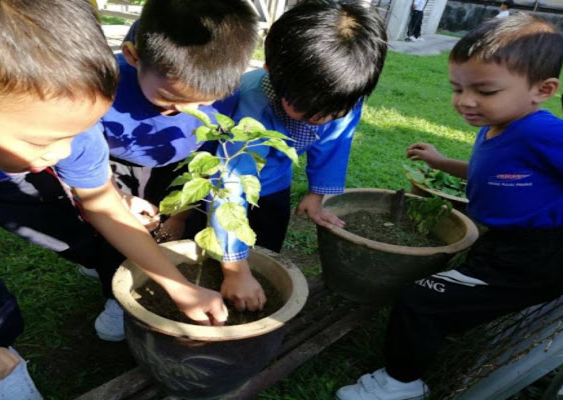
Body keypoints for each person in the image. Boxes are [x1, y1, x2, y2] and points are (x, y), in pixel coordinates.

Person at [0, 0, 227, 397]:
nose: (64, 153)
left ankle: (105, 278)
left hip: (14, 177)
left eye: (75, 133)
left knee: (84, 236)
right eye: (45, 140)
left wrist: (179, 285)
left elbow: (101, 203)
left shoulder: (66, 140)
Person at [336, 14, 563, 400]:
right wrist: (443, 163)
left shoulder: (542, 131)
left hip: (537, 255)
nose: (465, 101)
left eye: (485, 90)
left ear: (542, 90)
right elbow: (491, 170)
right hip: (508, 246)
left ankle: (402, 383)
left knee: (420, 300)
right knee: (457, 293)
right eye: (458, 88)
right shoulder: (498, 124)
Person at [87, 0, 264, 312]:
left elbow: (210, 154)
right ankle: (115, 297)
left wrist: (180, 213)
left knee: (173, 230)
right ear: (133, 57)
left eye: (202, 103)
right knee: (118, 230)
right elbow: (87, 159)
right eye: (169, 99)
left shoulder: (226, 92)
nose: (185, 111)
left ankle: (167, 278)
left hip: (184, 166)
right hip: (114, 165)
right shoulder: (102, 83)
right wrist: (116, 194)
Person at [219, 0, 387, 258]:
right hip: (237, 175)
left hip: (276, 183)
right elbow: (233, 178)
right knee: (219, 237)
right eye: (304, 109)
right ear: (271, 72)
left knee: (268, 238)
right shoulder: (253, 100)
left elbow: (334, 145)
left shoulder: (346, 96)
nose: (320, 119)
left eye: (332, 112)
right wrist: (234, 264)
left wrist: (317, 193)